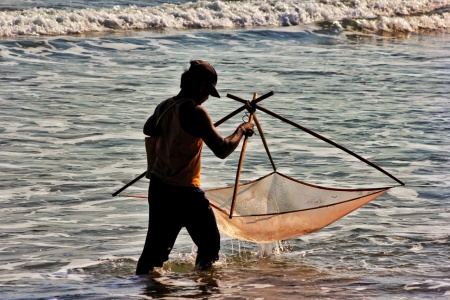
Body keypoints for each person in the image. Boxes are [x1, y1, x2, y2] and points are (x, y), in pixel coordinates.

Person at [136, 60, 254, 275]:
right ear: (201, 86)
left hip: (160, 189)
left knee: (153, 253)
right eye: (208, 92)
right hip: (185, 193)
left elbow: (149, 128)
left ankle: (144, 290)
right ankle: (204, 289)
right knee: (209, 247)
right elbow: (222, 149)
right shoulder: (196, 113)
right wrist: (242, 129)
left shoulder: (165, 106)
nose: (207, 97)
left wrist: (181, 133)